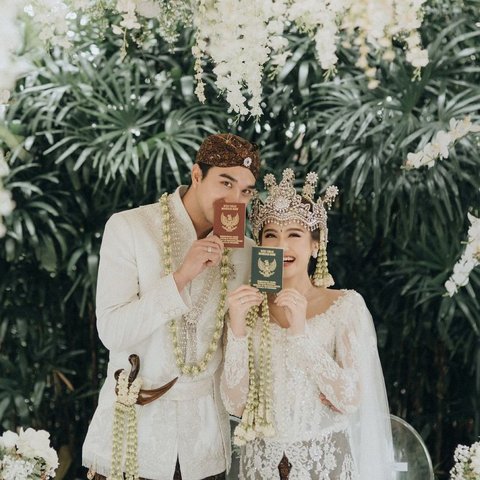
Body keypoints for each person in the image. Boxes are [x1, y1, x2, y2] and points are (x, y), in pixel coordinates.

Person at [82, 133, 260, 480]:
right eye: (225, 182)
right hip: (133, 439)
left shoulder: (246, 251)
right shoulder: (130, 228)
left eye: (245, 191)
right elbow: (113, 332)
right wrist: (179, 278)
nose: (235, 200)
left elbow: (249, 345)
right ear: (196, 175)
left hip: (206, 448)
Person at [221, 168, 394, 479]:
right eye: (271, 234)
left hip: (323, 462)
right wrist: (236, 330)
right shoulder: (245, 309)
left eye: (295, 235)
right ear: (260, 244)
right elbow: (236, 405)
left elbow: (351, 398)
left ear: (316, 245)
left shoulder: (344, 306)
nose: (282, 246)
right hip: (261, 464)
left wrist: (301, 334)